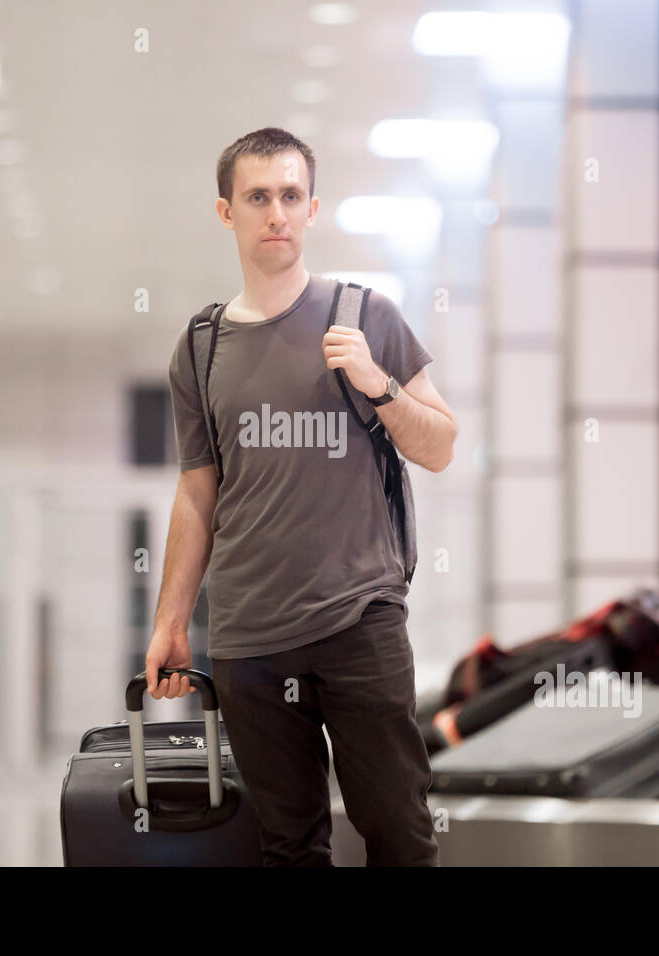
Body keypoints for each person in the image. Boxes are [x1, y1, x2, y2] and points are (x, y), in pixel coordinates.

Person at [145, 127, 458, 866]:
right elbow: (197, 494)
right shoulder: (201, 348)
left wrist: (377, 385)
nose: (276, 213)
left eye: (290, 196)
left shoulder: (365, 316)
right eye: (258, 198)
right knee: (288, 847)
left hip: (360, 622)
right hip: (251, 637)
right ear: (227, 213)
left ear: (313, 208)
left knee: (400, 833)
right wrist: (171, 622)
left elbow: (440, 445)